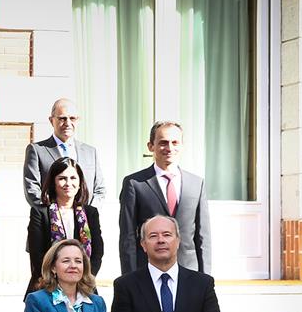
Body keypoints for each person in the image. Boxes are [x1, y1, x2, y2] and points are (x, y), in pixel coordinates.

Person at [119, 121, 211, 274]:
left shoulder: (196, 184)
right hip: (147, 271)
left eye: (175, 143)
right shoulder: (135, 184)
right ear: (150, 146)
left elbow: (203, 237)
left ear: (182, 146)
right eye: (163, 143)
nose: (169, 148)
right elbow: (127, 237)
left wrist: (206, 278)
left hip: (188, 270)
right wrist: (129, 279)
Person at [26, 157, 104, 297]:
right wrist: (56, 280)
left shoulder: (91, 213)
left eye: (73, 178)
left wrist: (83, 278)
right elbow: (37, 255)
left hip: (84, 287)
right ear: (53, 183)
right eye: (62, 178)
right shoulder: (39, 213)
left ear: (80, 183)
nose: (68, 183)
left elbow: (97, 253)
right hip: (47, 287)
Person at [24, 98, 106, 209]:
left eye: (72, 118)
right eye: (62, 118)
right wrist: (51, 215)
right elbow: (32, 189)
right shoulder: (37, 150)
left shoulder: (90, 152)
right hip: (51, 222)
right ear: (51, 120)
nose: (68, 123)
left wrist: (89, 213)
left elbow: (99, 189)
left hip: (84, 222)